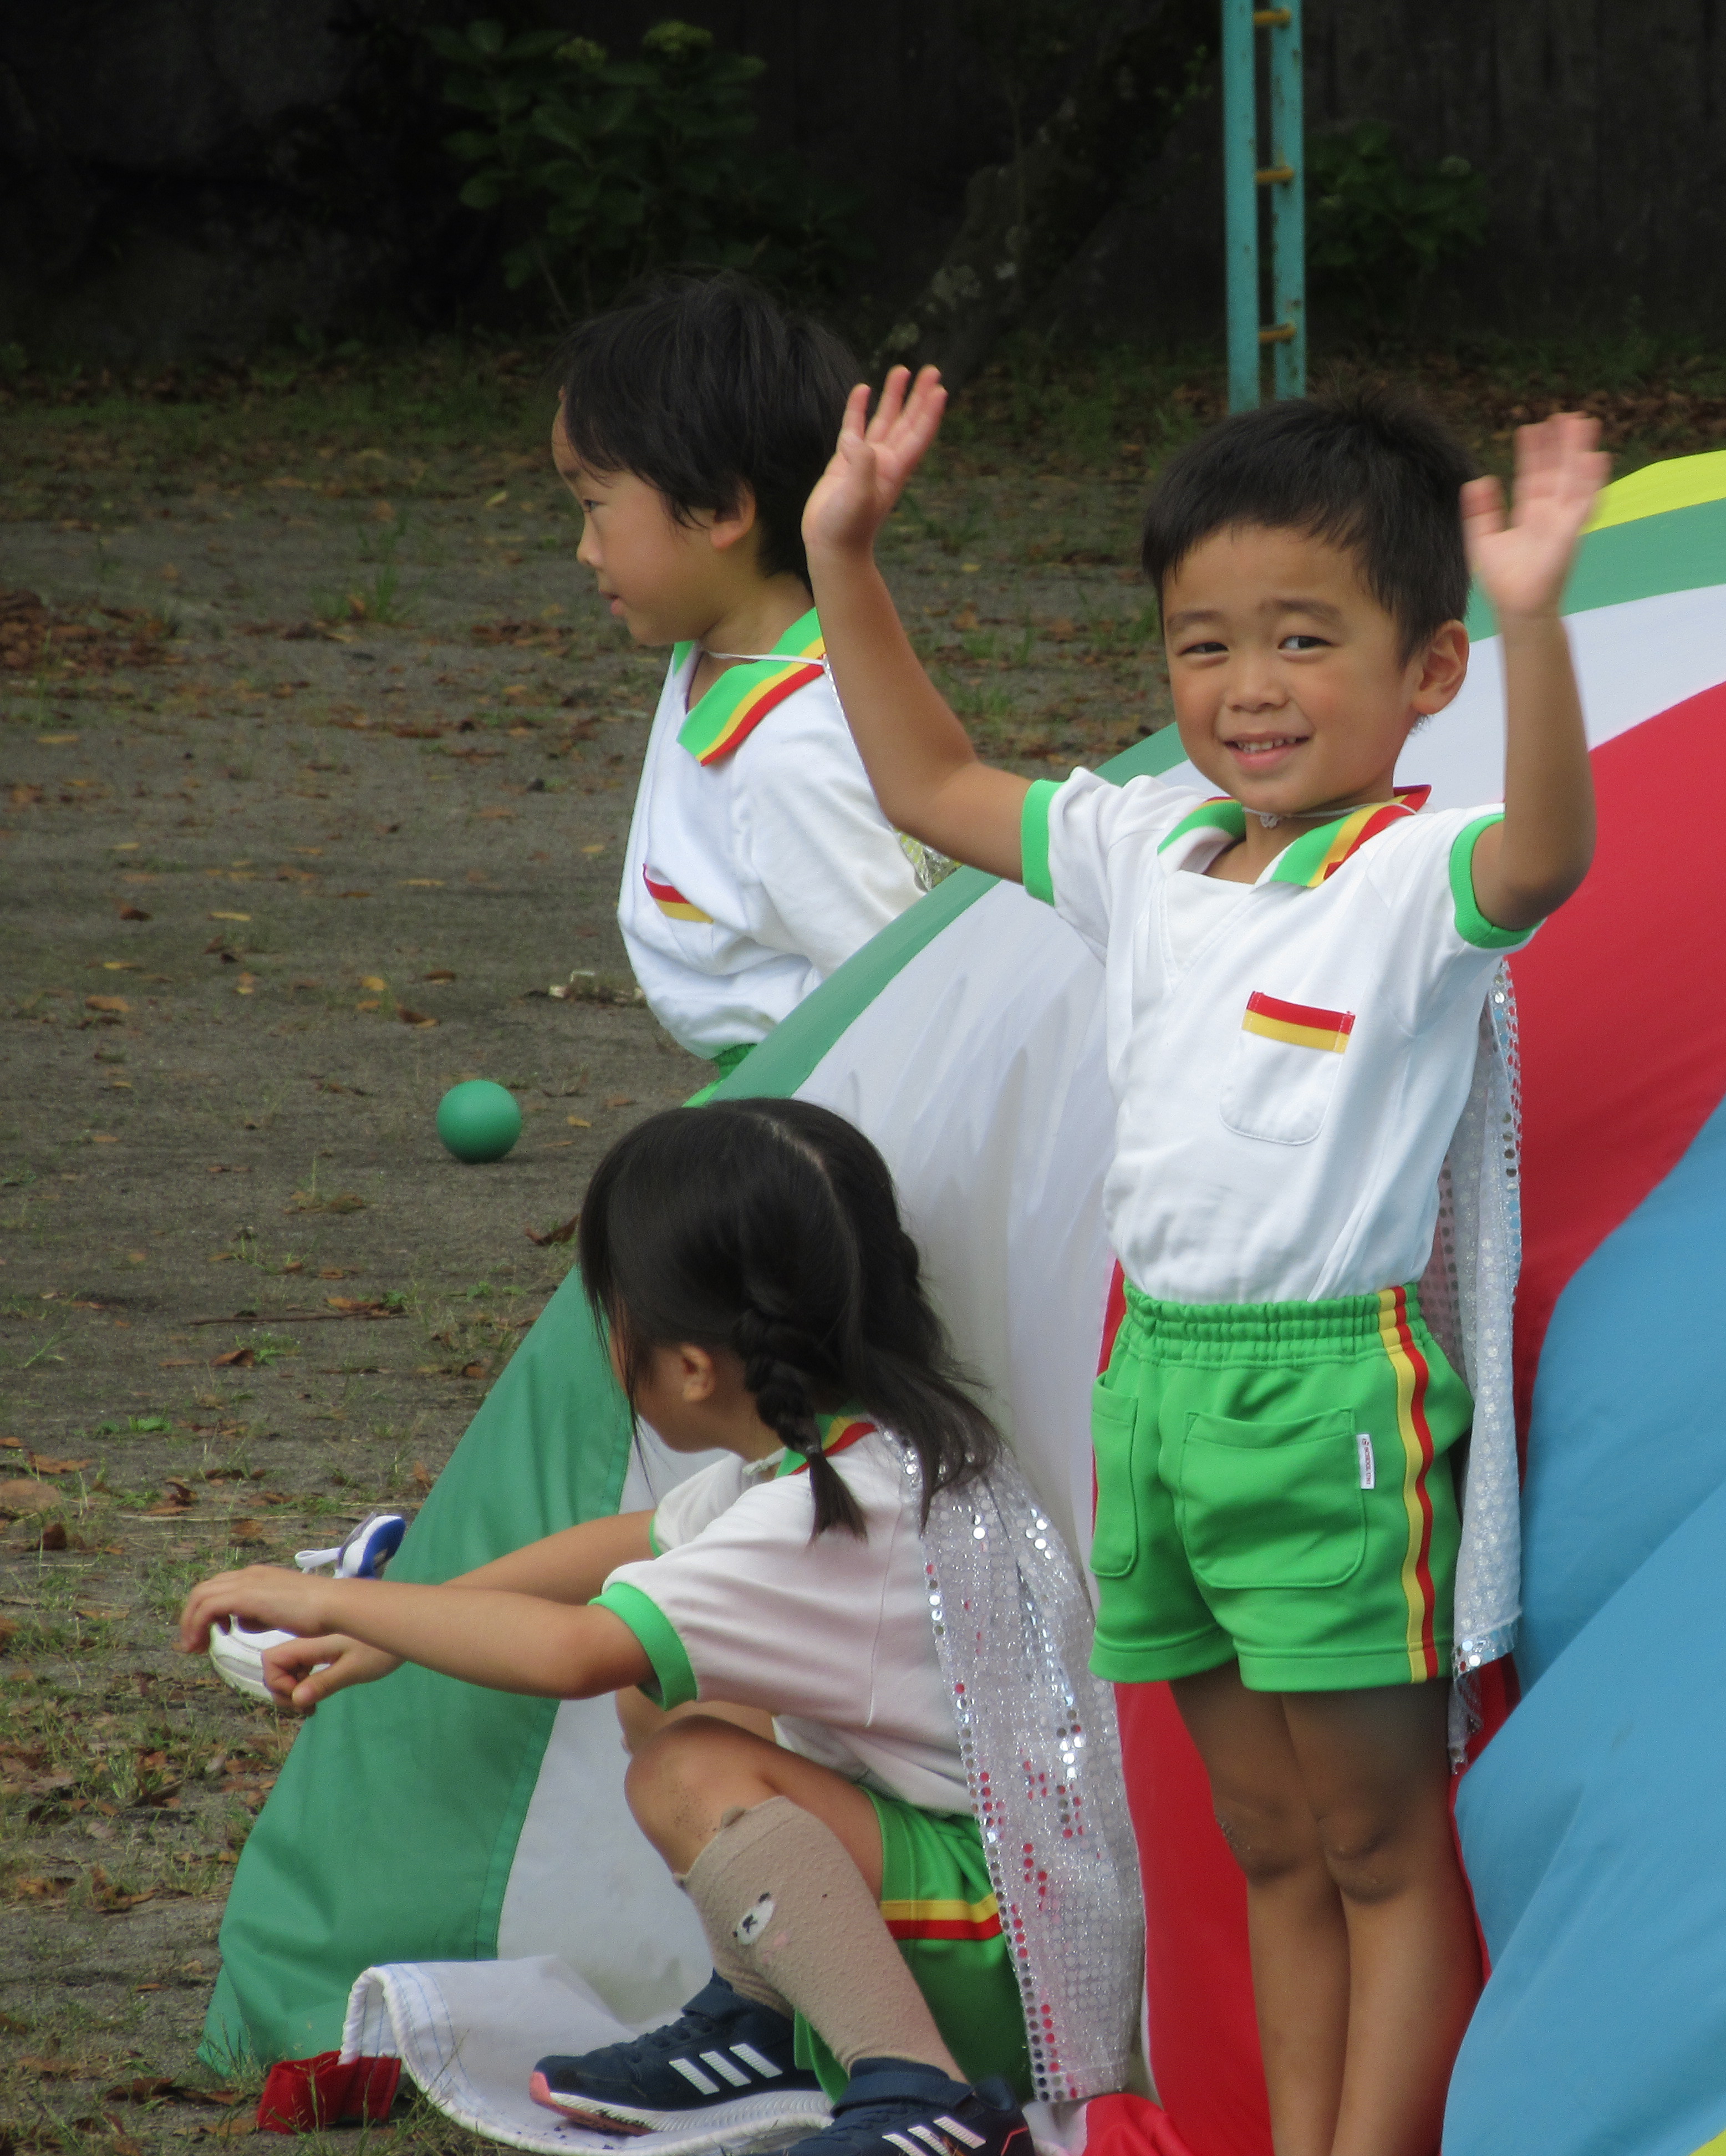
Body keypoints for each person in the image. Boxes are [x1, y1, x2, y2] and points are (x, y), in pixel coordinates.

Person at [801, 370, 1606, 2156]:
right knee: (1267, 1842)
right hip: (1154, 1394)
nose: (1250, 687)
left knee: (1380, 1843)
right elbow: (930, 781)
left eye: (1305, 640)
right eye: (1205, 645)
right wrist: (842, 554)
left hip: (1328, 1407)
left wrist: (1541, 623)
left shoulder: (1409, 880)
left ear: (1431, 669)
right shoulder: (1148, 847)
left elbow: (1549, 853)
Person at [180, 1100, 1045, 2156]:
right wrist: (396, 1630)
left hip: (993, 1944)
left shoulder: (824, 1514)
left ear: (691, 1367)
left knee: (683, 1768)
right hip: (991, 1908)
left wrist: (331, 1598)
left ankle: (922, 2090)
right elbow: (631, 1539)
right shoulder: (860, 1456)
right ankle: (778, 2021)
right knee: (666, 1678)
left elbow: (573, 1652)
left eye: (616, 1313)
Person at [556, 273, 925, 1089]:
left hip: (816, 1097)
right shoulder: (722, 646)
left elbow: (904, 998)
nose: (584, 549)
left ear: (722, 509)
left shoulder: (789, 752)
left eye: (593, 506)